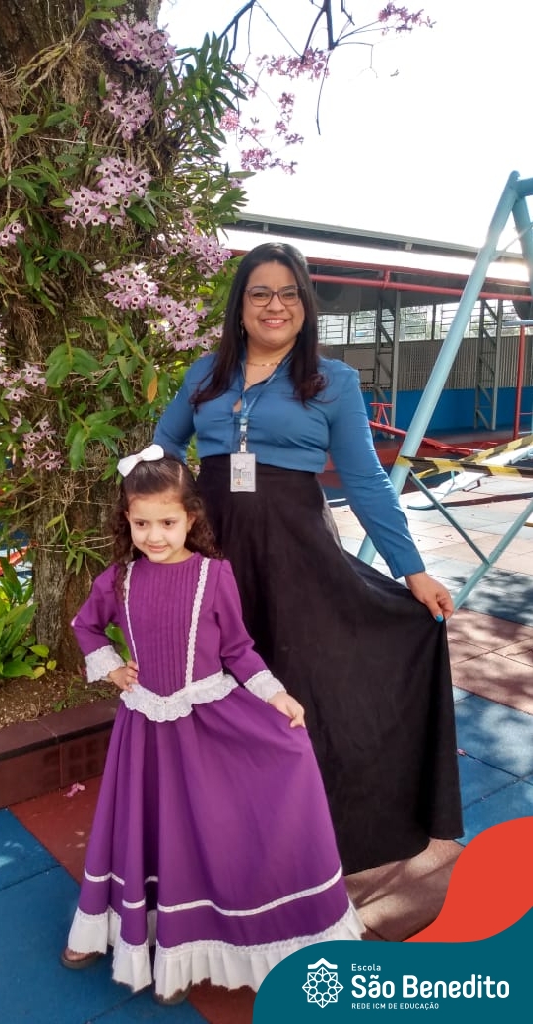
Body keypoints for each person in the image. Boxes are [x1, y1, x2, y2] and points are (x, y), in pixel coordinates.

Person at [153, 242, 463, 876]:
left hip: (296, 554)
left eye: (289, 293)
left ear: (305, 305)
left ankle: (307, 836)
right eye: (261, 293)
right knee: (216, 686)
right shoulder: (205, 374)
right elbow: (165, 445)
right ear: (240, 305)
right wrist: (163, 523)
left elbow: (366, 479)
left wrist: (411, 569)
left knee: (299, 684)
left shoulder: (332, 380)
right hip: (214, 550)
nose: (276, 305)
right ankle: (221, 832)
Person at [60, 448, 361, 1005]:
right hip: (145, 730)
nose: (154, 535)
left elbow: (239, 650)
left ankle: (192, 944)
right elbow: (86, 626)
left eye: (167, 522)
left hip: (206, 725)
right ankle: (134, 930)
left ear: (191, 518)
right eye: (141, 523)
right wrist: (113, 668)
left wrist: (275, 694)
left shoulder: (213, 575)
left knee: (206, 828)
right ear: (126, 520)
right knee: (148, 826)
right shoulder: (119, 579)